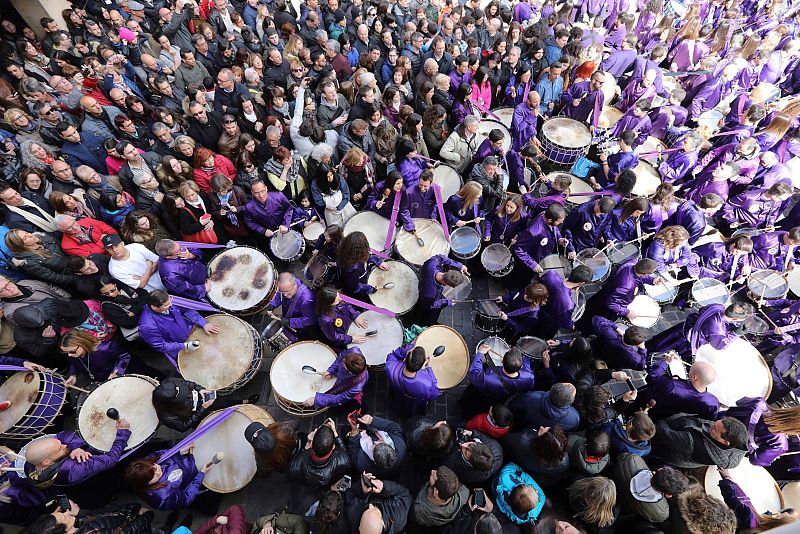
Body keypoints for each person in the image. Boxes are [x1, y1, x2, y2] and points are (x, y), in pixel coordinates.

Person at [23, 424, 131, 487]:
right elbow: (110, 459)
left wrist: (75, 447)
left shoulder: (30, 465)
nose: (64, 446)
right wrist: (122, 433)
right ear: (46, 462)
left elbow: (61, 435)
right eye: (60, 448)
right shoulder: (71, 470)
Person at [138, 290, 220, 370]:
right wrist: (185, 346)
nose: (171, 305)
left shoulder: (169, 301)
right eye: (166, 305)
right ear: (154, 307)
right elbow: (161, 345)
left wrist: (203, 323)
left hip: (191, 332)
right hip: (179, 348)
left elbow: (186, 310)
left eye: (170, 301)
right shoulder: (147, 326)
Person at [123, 448, 219, 510]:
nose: (158, 471)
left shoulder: (146, 464)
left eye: (155, 467)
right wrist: (201, 474)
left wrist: (179, 451)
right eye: (154, 475)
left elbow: (160, 454)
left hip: (189, 459)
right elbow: (186, 499)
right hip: (196, 476)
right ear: (147, 483)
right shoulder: (164, 497)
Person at [650, 414, 748, 469]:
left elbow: (665, 433)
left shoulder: (693, 443)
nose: (711, 425)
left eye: (714, 428)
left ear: (724, 441)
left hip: (662, 446)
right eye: (715, 423)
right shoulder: (737, 441)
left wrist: (662, 420)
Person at [344, 472, 413, 534]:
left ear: (359, 528)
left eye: (366, 509)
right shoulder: (398, 517)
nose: (370, 505)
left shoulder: (353, 518)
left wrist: (361, 490)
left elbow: (349, 493)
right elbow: (405, 495)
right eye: (375, 510)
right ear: (383, 524)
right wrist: (384, 487)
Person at [303, 347, 369, 411]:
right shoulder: (354, 350)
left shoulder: (356, 387)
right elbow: (341, 357)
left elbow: (339, 398)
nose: (342, 363)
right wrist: (331, 370)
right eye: (344, 361)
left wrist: (316, 400)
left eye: (344, 365)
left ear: (350, 372)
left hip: (345, 385)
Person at [345, 413, 406, 479]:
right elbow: (393, 427)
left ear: (375, 463)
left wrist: (354, 434)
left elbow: (353, 449)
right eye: (381, 442)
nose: (375, 442)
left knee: (344, 430)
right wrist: (372, 421)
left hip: (361, 436)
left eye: (374, 447)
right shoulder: (401, 446)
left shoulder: (361, 464)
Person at [385, 343, 440, 415]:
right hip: (412, 402)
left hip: (397, 392)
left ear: (405, 359)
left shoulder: (390, 367)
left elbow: (392, 355)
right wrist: (429, 368)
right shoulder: (426, 384)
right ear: (421, 367)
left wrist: (407, 350)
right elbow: (434, 395)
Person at [414, 254, 468, 326]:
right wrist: (447, 302)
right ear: (446, 284)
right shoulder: (431, 294)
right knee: (429, 313)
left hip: (423, 274)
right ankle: (428, 324)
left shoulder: (431, 264)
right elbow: (430, 305)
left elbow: (441, 257)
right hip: (425, 297)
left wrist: (460, 266)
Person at [265, 272, 318, 341]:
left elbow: (310, 320)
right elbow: (279, 293)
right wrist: (273, 304)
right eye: (282, 291)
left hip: (305, 327)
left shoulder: (307, 300)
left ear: (295, 284)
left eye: (287, 291)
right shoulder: (287, 284)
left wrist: (290, 322)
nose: (285, 295)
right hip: (291, 315)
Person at [508, 383, 580, 431]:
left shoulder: (530, 397)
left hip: (522, 426)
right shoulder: (574, 418)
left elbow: (513, 407)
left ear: (552, 388)